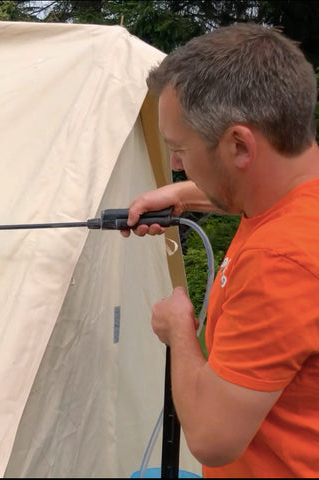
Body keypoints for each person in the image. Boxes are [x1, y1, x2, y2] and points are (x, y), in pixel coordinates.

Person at [121, 23, 319, 477]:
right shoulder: (297, 196)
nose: (174, 164)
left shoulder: (280, 263)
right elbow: (268, 199)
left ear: (238, 146)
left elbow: (212, 438)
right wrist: (184, 196)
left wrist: (178, 329)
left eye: (179, 149)